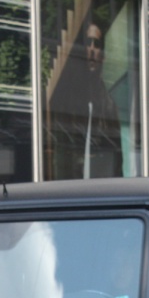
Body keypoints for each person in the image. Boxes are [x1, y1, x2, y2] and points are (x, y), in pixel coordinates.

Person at [47, 18, 122, 180]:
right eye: (88, 43)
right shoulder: (68, 100)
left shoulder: (108, 105)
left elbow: (117, 161)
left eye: (97, 44)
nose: (92, 49)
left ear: (103, 55)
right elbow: (60, 155)